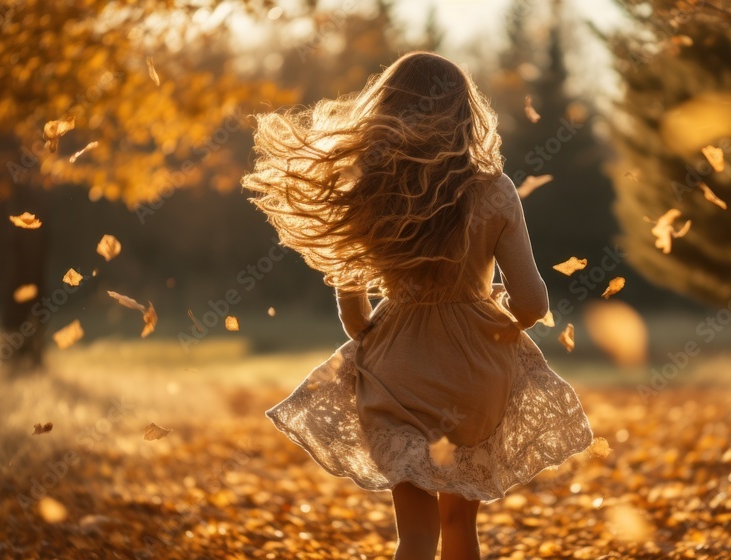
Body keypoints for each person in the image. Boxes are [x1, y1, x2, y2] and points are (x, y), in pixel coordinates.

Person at [242, 51, 593, 560]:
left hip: (397, 373)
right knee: (459, 524)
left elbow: (356, 316)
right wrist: (491, 318)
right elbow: (534, 303)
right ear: (465, 113)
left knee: (415, 534)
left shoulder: (371, 190)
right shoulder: (494, 192)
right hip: (474, 376)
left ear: (388, 108)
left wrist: (385, 333)